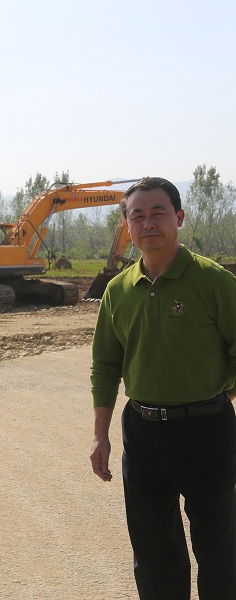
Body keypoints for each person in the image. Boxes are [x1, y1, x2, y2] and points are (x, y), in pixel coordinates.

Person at [89, 176, 236, 598]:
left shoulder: (213, 281)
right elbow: (105, 366)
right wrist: (100, 435)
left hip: (206, 429)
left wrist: (216, 391)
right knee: (153, 551)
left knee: (219, 549)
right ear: (127, 226)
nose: (148, 222)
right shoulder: (118, 290)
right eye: (137, 215)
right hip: (143, 431)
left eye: (158, 212)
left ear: (179, 217)